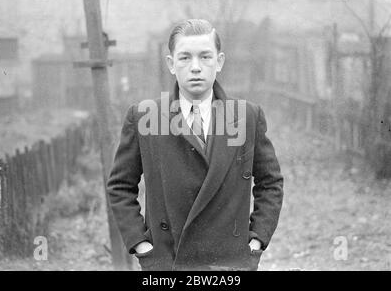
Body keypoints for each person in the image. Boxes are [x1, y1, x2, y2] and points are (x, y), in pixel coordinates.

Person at [106, 19, 284, 271]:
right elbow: (120, 186)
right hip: (168, 263)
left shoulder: (247, 117)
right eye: (185, 58)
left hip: (230, 265)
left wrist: (256, 240)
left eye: (205, 57)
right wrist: (142, 247)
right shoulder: (145, 117)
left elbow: (271, 182)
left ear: (219, 61)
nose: (196, 67)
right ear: (171, 64)